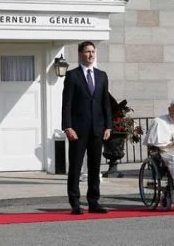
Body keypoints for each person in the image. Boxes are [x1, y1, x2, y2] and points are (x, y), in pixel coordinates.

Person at [61, 41, 111, 215]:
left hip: (97, 129)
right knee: (75, 167)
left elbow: (106, 103)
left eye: (93, 51)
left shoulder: (102, 76)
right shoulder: (72, 76)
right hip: (78, 130)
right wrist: (67, 126)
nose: (91, 55)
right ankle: (75, 202)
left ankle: (93, 202)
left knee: (95, 167)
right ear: (80, 54)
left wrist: (108, 126)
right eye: (87, 52)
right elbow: (66, 104)